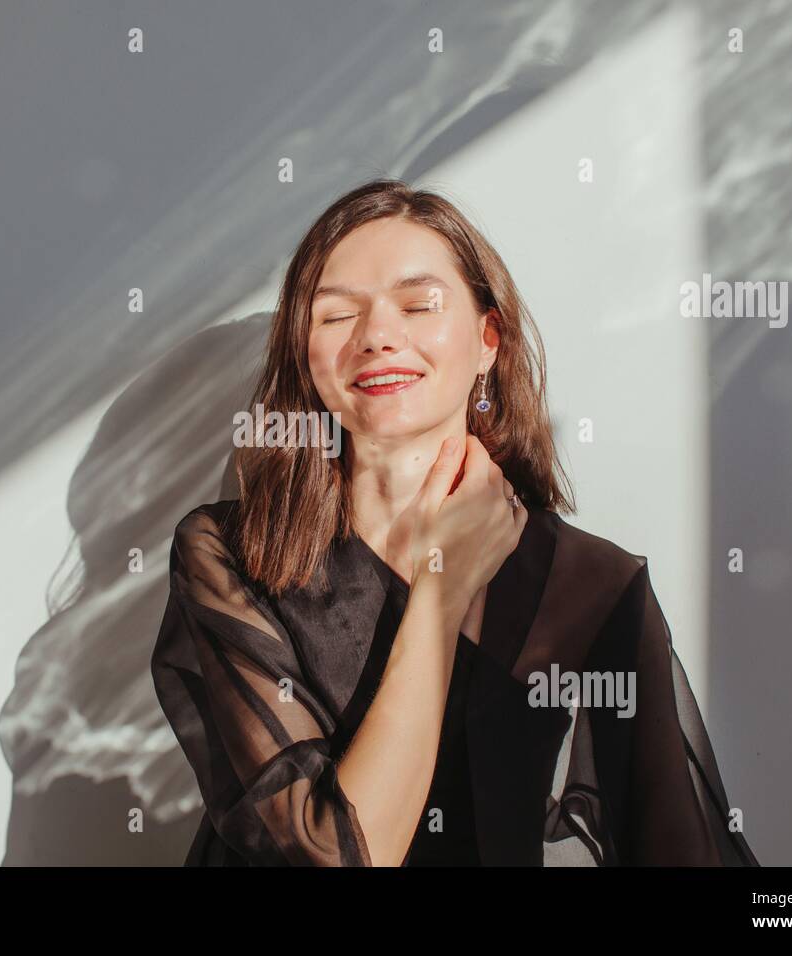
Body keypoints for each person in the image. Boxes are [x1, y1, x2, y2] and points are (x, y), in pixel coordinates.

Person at [150, 178, 760, 867]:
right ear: (303, 353)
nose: (379, 336)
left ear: (488, 338)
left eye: (419, 304)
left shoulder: (593, 582)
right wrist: (443, 591)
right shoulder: (227, 554)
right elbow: (334, 853)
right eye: (335, 315)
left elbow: (676, 848)